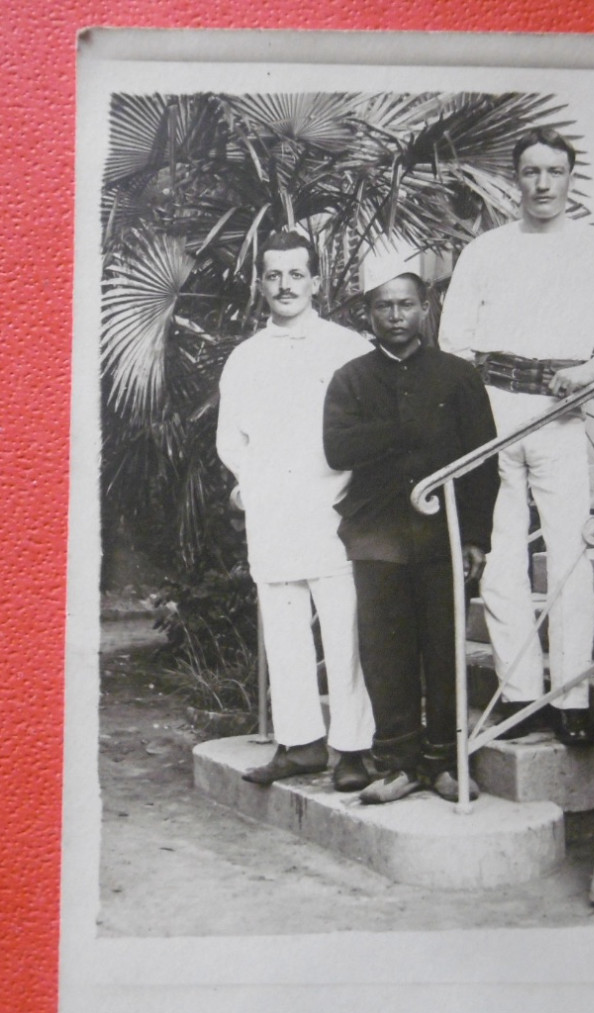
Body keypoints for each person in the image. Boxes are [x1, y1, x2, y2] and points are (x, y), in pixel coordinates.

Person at [438, 127, 594, 747]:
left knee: (569, 556)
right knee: (500, 561)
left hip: (558, 413)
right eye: (531, 172)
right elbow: (452, 339)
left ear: (570, 179)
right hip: (489, 413)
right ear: (516, 180)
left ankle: (570, 698)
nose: (542, 184)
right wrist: (474, 406)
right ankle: (521, 696)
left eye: (554, 172)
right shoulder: (485, 250)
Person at [323, 238, 498, 803]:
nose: (395, 316)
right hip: (376, 534)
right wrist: (402, 428)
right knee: (386, 651)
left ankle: (442, 763)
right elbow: (337, 447)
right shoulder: (350, 377)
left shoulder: (456, 377)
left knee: (444, 649)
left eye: (405, 304)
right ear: (368, 313)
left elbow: (481, 461)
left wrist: (475, 536)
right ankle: (397, 763)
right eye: (383, 306)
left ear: (425, 309)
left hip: (442, 535)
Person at [215, 230, 375, 789]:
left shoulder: (349, 347)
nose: (285, 285)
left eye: (296, 274)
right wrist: (252, 487)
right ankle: (300, 742)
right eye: (274, 275)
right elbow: (230, 440)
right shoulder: (245, 357)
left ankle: (354, 746)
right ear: (261, 283)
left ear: (316, 280)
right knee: (283, 628)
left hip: (335, 509)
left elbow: (368, 431)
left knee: (345, 630)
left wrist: (348, 490)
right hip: (274, 511)